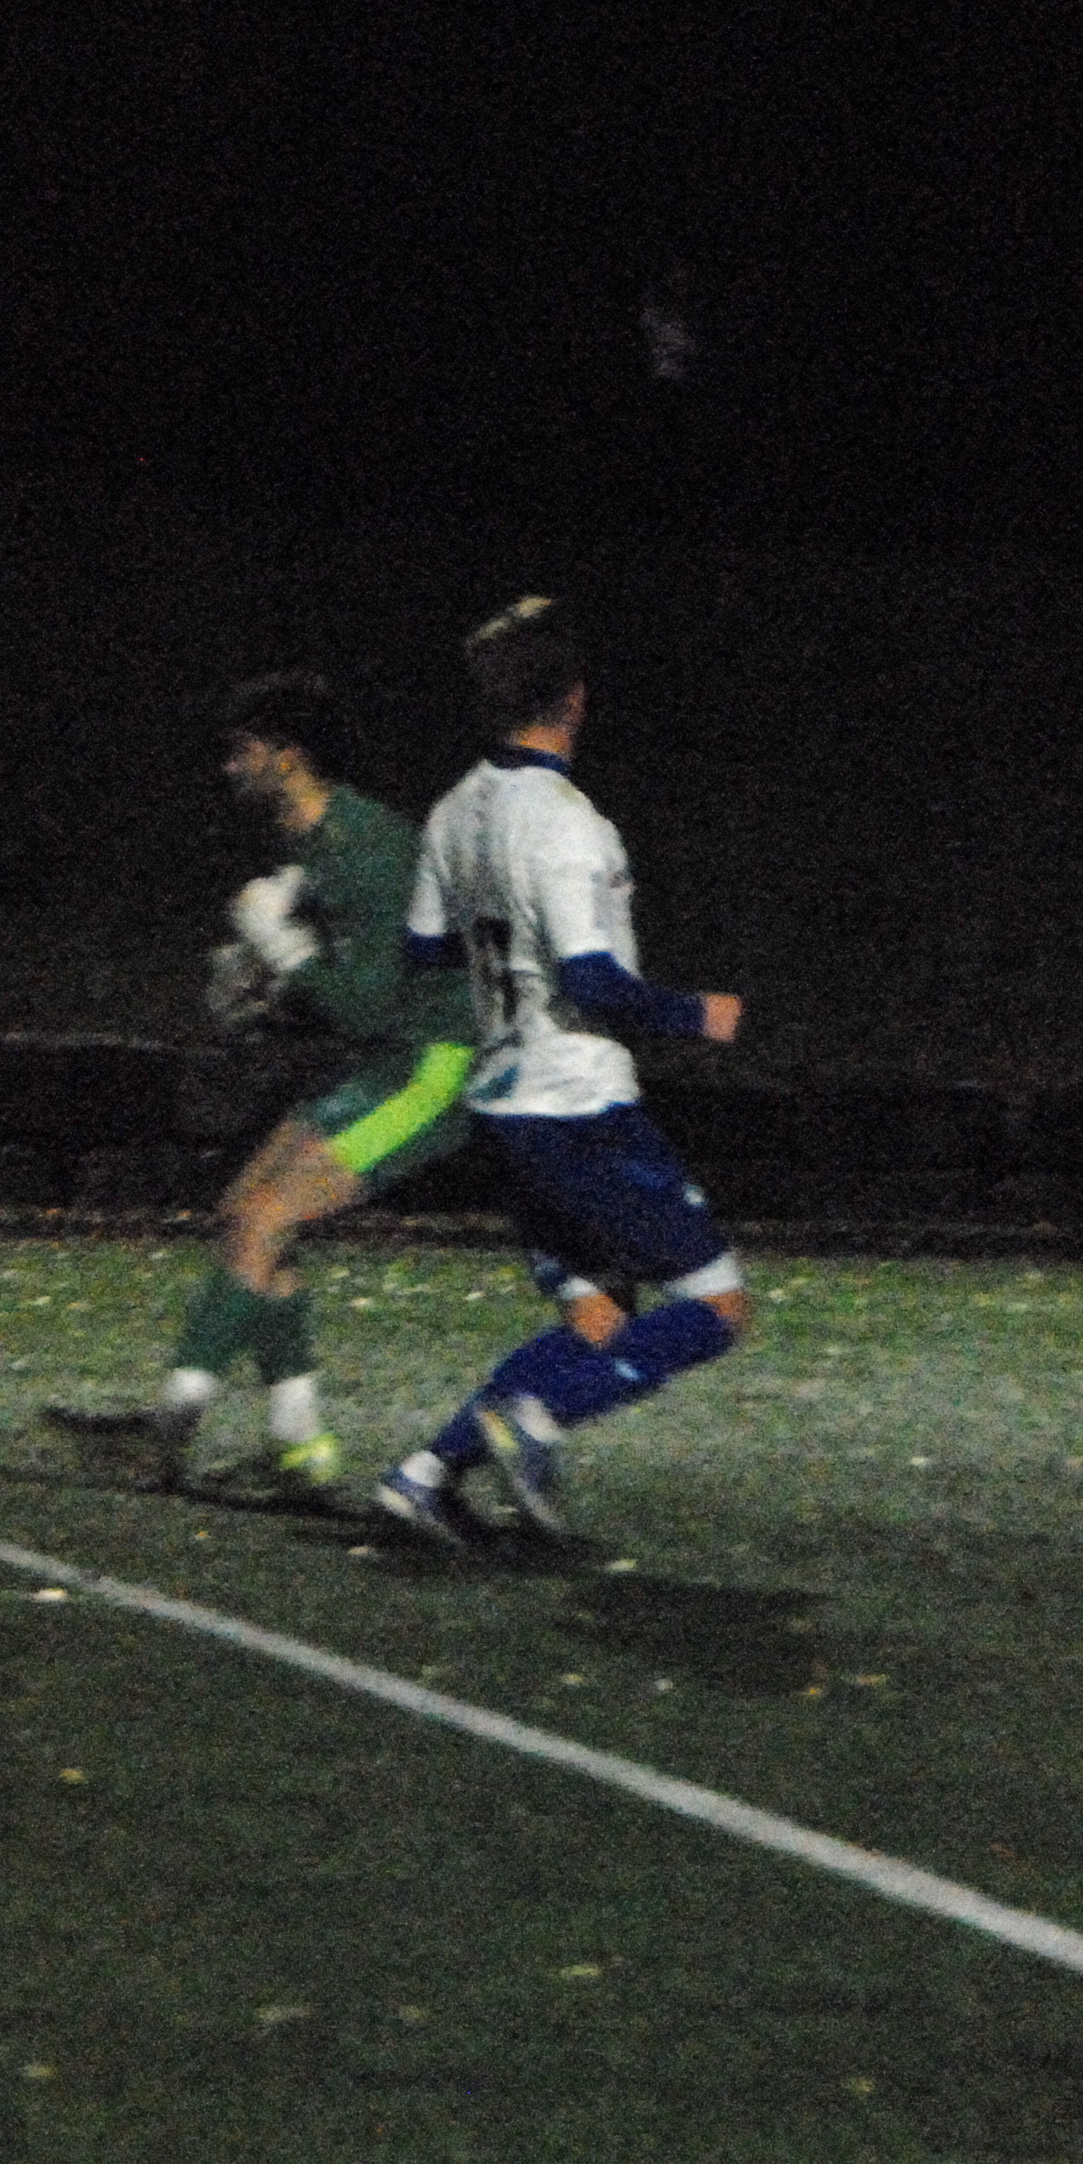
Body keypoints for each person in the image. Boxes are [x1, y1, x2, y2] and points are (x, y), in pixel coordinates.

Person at [375, 597, 744, 1550]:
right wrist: (696, 1014)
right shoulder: (570, 825)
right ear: (575, 700)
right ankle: (535, 1423)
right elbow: (592, 982)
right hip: (578, 1106)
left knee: (596, 1318)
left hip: (503, 1108)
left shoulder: (454, 810)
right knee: (715, 1305)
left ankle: (424, 1477)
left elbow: (423, 952)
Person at [56, 672, 479, 1494]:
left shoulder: (364, 849)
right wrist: (268, 989)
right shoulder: (315, 842)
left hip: (434, 1071)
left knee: (261, 1219)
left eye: (242, 750)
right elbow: (355, 993)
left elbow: (366, 1004)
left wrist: (284, 953)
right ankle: (299, 1448)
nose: (229, 767)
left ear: (288, 756)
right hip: (393, 1060)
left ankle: (169, 1432)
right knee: (246, 1215)